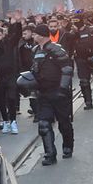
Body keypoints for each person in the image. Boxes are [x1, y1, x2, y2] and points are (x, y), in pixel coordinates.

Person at [30, 23, 75, 165]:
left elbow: (67, 69)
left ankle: (68, 147)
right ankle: (50, 154)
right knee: (44, 124)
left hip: (58, 92)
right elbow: (34, 70)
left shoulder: (56, 49)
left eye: (35, 34)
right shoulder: (35, 51)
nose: (33, 36)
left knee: (64, 122)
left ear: (41, 35)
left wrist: (63, 88)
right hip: (43, 93)